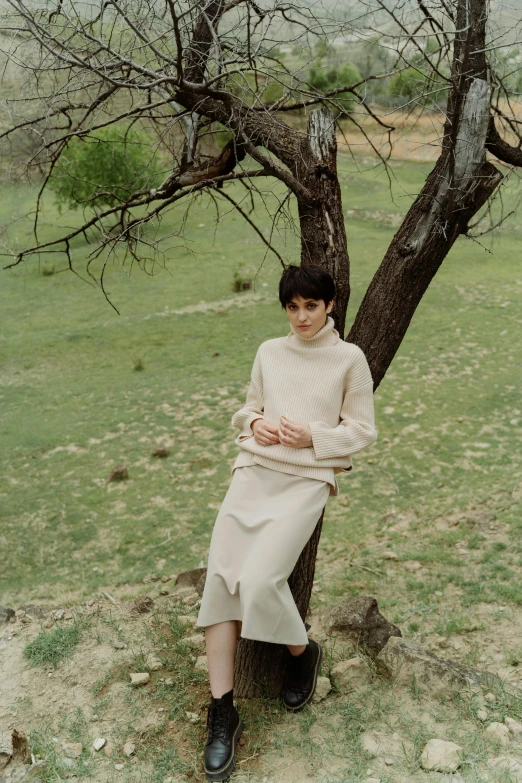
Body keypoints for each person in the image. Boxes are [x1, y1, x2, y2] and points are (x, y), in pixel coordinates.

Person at [195, 264, 377, 781]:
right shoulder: (269, 353)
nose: (301, 317)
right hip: (253, 472)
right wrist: (256, 422)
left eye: (311, 307)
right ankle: (223, 713)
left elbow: (363, 432)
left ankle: (301, 652)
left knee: (257, 582)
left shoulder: (350, 359)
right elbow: (246, 409)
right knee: (220, 583)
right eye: (292, 307)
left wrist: (312, 438)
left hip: (305, 481)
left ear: (330, 306)